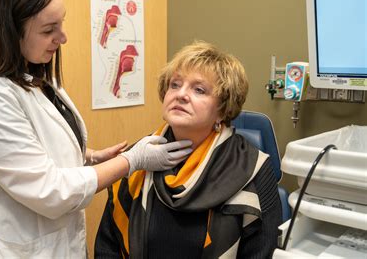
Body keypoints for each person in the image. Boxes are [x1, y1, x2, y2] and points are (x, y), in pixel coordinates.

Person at [0, 0, 192, 258]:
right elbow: (49, 191)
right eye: (49, 30)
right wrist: (132, 160)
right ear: (9, 33)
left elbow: (37, 142)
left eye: (61, 24)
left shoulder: (37, 78)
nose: (63, 38)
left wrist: (88, 155)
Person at [95, 41, 282, 258]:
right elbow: (107, 248)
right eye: (175, 85)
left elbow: (262, 253)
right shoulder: (138, 157)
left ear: (223, 109)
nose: (181, 94)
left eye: (199, 90)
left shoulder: (253, 168)